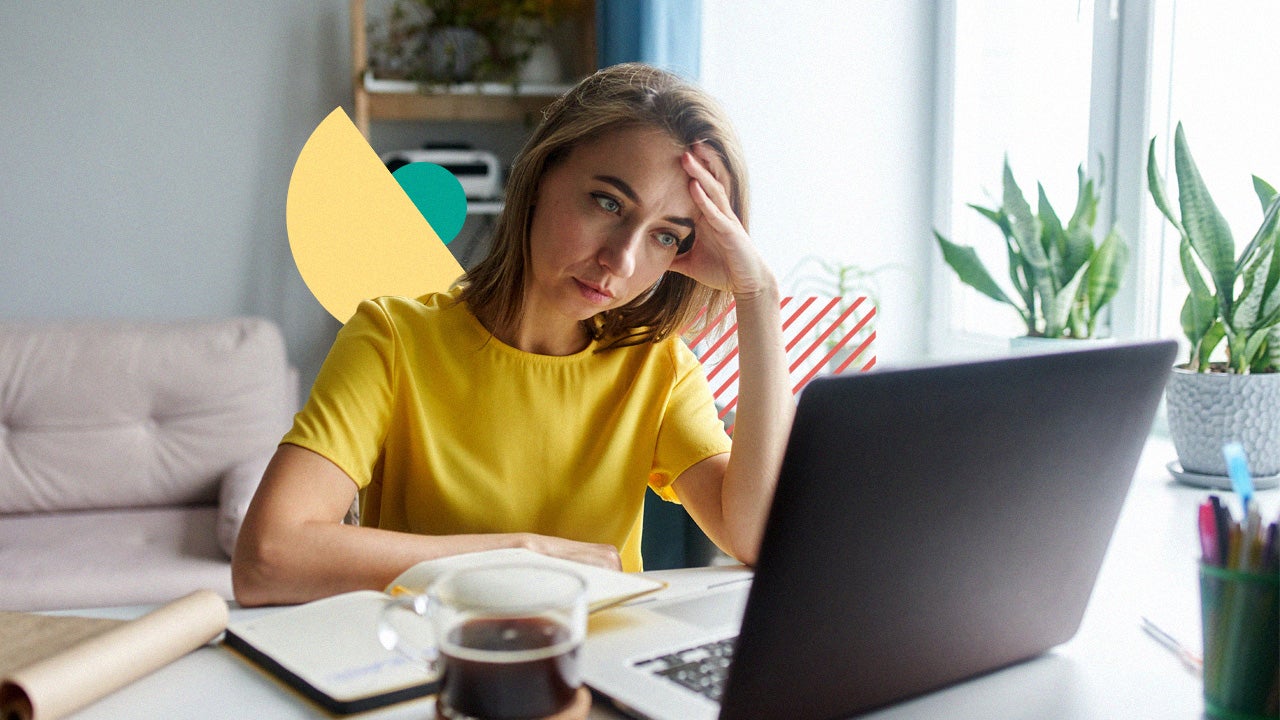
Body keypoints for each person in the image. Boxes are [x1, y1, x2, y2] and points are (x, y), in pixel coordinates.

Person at [232, 62, 795, 607]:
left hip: (593, 674)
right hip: (428, 669)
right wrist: (522, 555)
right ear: (540, 176)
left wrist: (759, 297)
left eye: (666, 236)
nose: (620, 260)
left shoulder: (658, 369)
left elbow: (753, 538)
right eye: (608, 203)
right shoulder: (392, 339)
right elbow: (266, 558)